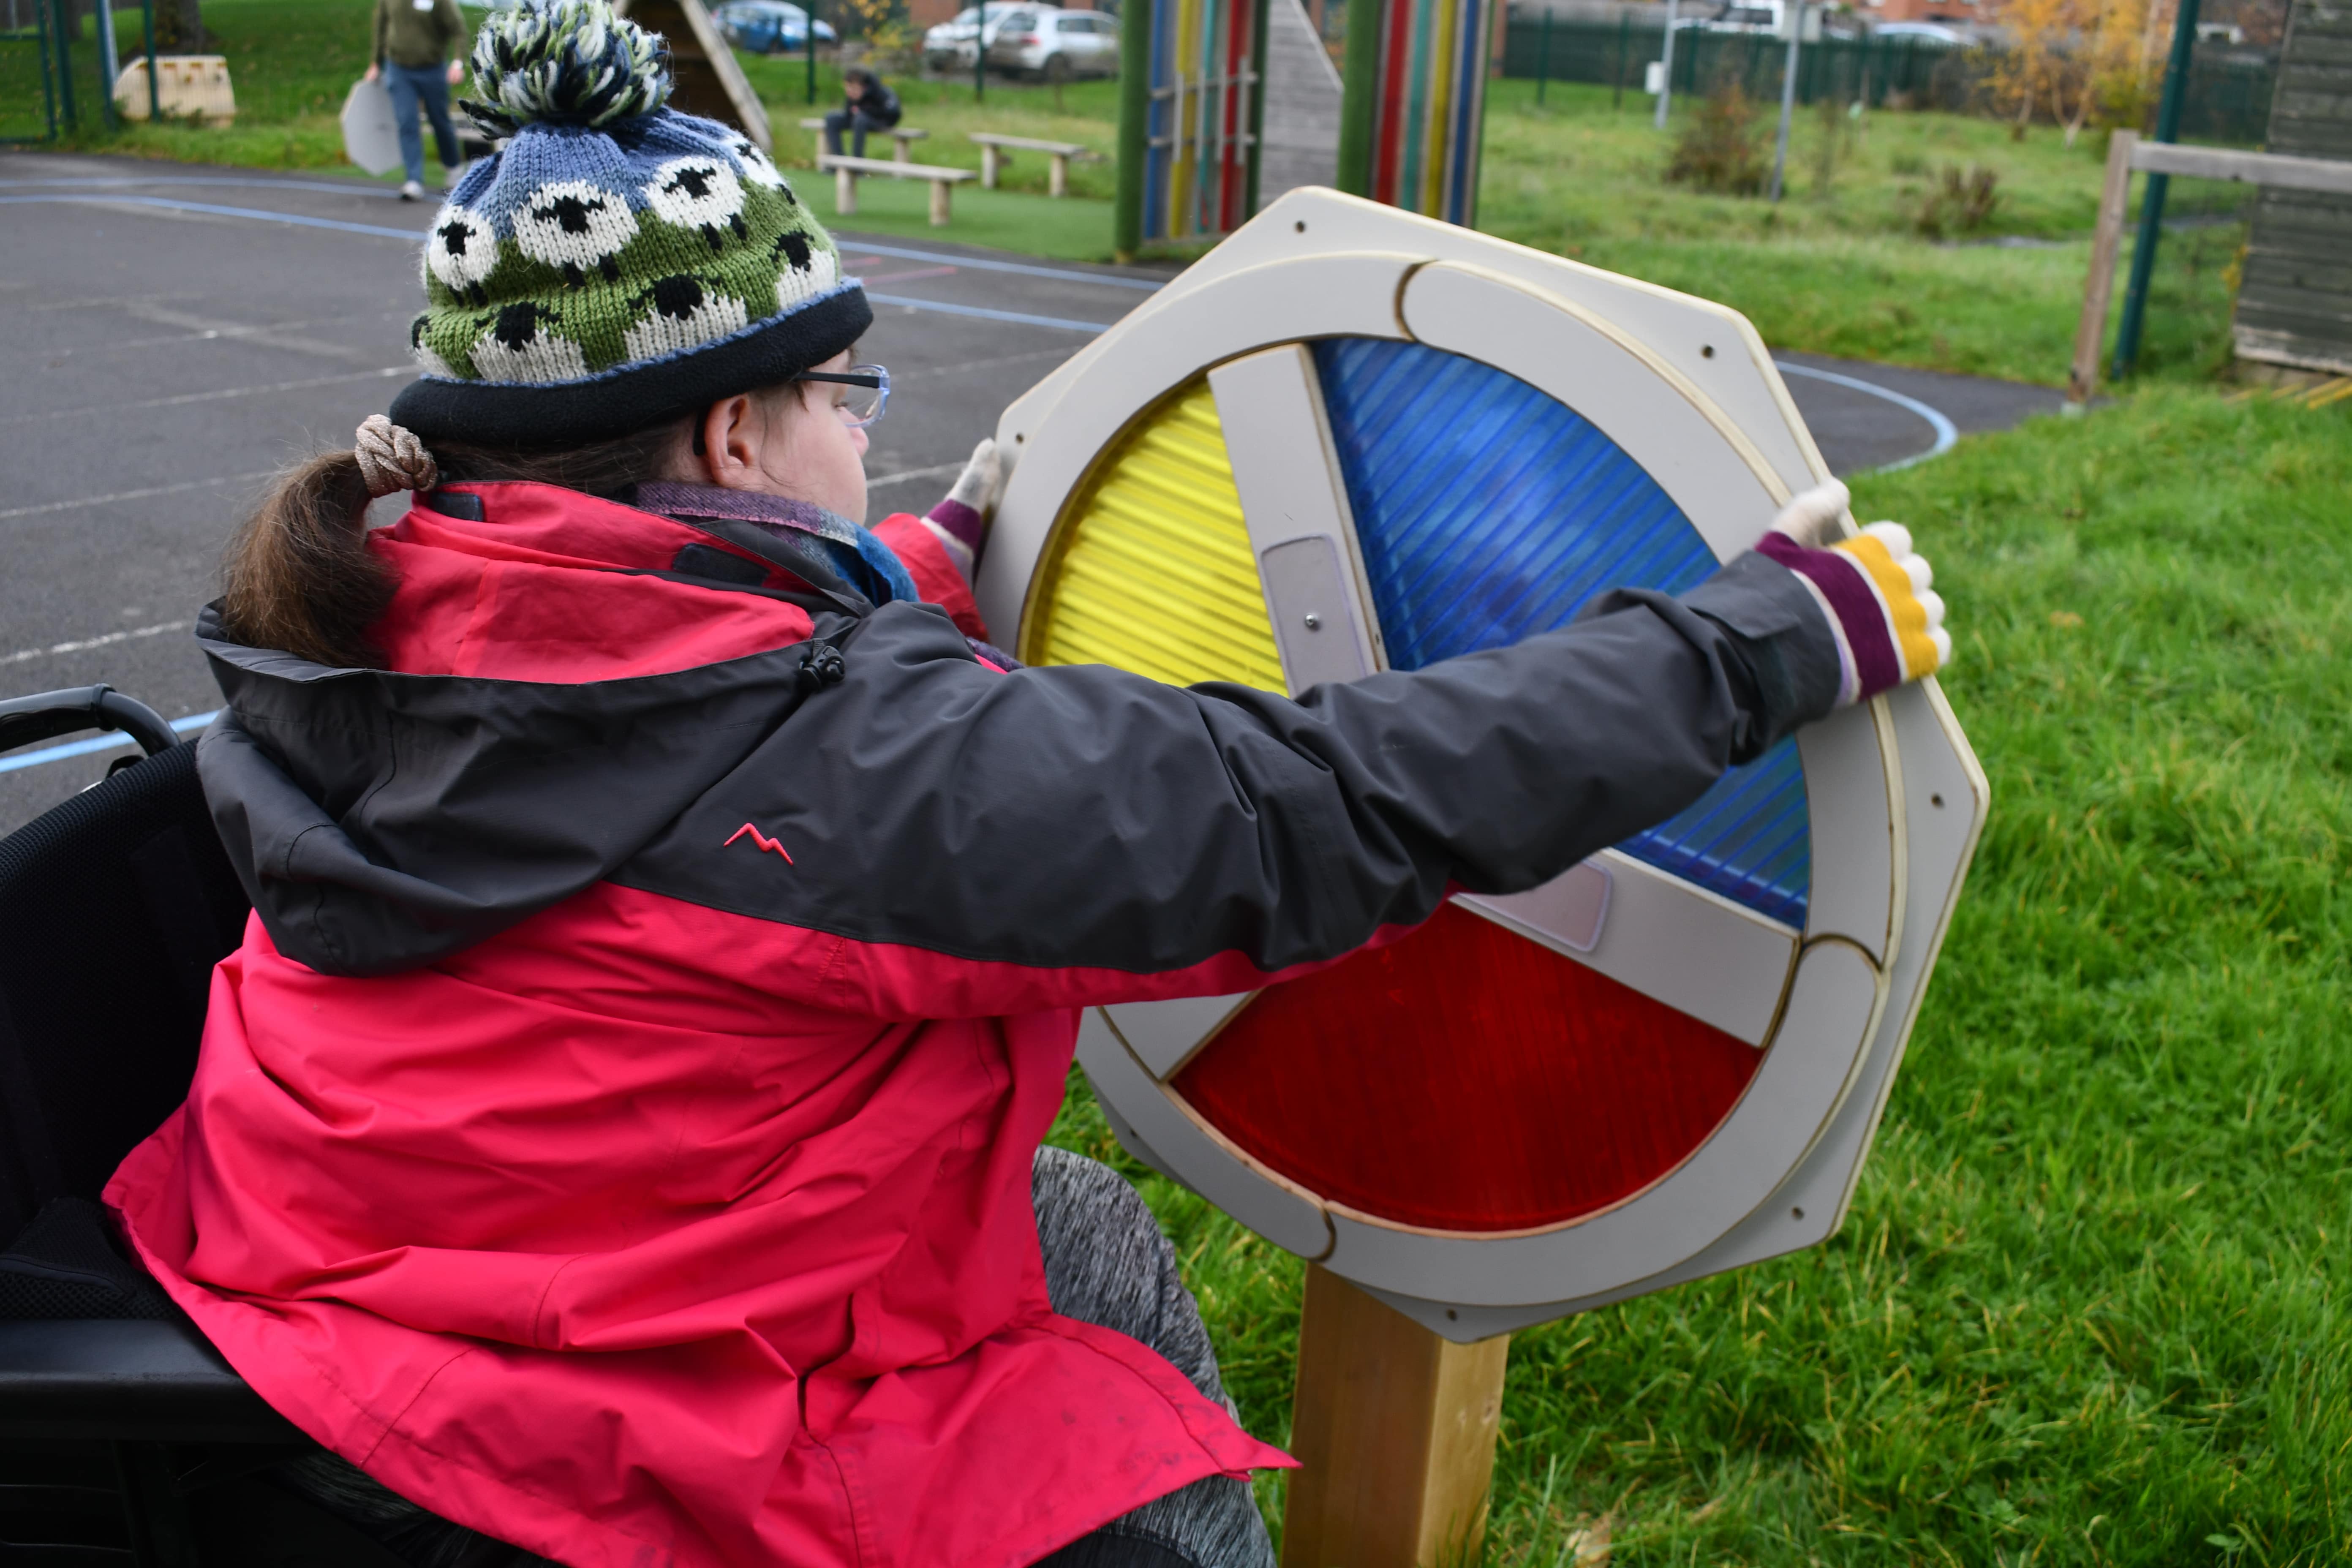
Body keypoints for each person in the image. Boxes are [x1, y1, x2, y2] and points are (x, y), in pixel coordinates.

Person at [102, 4, 1952, 1566]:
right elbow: (1312, 805)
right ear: (741, 434)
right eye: (853, 397)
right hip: (564, 1405)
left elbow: (658, 688)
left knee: (1085, 1227)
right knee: (1082, 1284)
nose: (864, 424)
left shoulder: (380, 599)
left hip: (332, 1270)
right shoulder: (841, 778)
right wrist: (1763, 643)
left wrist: (906, 560)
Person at [365, 0, 468, 200]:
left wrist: (458, 62)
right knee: (407, 122)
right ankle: (414, 180)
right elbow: (382, 25)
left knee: (440, 121)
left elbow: (459, 30)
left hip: (432, 68)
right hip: (399, 69)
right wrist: (376, 63)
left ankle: (454, 168)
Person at [824, 65, 902, 158]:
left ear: (864, 88)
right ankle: (839, 160)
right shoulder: (852, 95)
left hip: (880, 122)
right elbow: (849, 114)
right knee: (832, 119)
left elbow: (894, 113)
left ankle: (857, 164)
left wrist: (865, 112)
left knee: (860, 120)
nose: (849, 92)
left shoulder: (881, 93)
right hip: (858, 121)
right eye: (847, 88)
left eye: (853, 89)